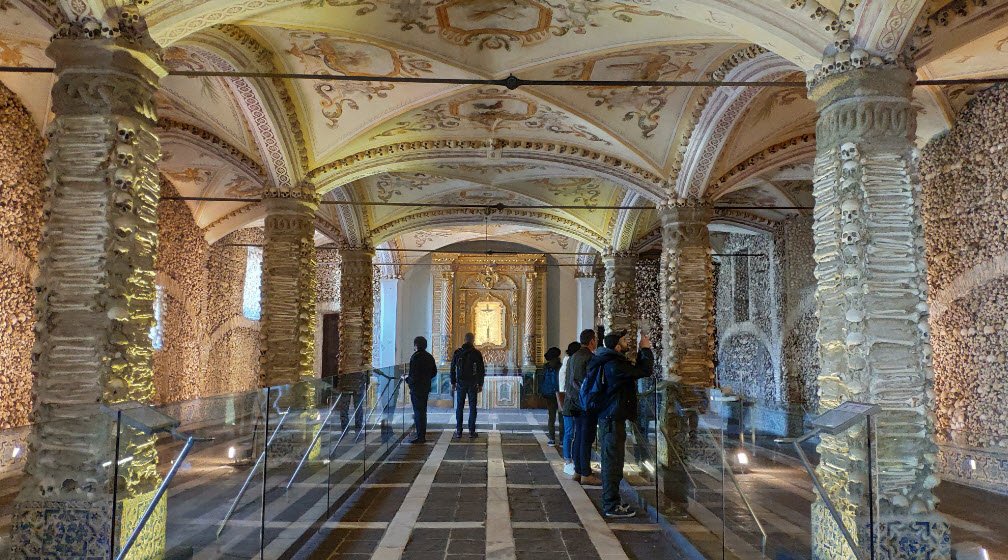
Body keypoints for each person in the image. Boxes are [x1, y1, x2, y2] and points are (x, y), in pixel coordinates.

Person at [587, 331, 654, 519]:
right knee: (612, 463)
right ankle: (611, 504)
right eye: (624, 340)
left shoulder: (611, 361)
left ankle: (612, 501)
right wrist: (645, 349)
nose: (626, 342)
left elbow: (637, 371)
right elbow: (643, 371)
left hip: (612, 418)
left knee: (614, 461)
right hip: (611, 419)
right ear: (616, 345)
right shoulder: (614, 364)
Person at [566, 329, 600, 485]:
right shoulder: (590, 358)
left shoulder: (573, 357)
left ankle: (578, 471)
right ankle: (586, 473)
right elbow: (591, 383)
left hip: (573, 402)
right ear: (592, 341)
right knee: (586, 438)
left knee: (578, 437)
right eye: (596, 340)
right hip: (585, 404)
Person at [450, 332, 485, 438]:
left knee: (459, 407)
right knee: (472, 407)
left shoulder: (458, 352)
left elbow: (452, 368)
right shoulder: (476, 353)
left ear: (464, 340)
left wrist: (453, 382)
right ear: (473, 340)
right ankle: (471, 431)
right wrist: (480, 384)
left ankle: (459, 431)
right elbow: (481, 370)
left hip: (460, 383)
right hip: (473, 383)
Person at [406, 336, 437, 444]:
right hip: (425, 387)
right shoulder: (429, 357)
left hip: (416, 389)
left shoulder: (415, 357)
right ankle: (421, 434)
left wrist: (407, 380)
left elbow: (413, 375)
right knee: (423, 412)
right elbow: (434, 372)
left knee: (418, 412)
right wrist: (426, 378)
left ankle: (420, 436)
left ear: (416, 346)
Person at [557, 341, 581, 474]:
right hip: (570, 401)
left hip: (571, 401)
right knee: (569, 431)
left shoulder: (570, 362)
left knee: (572, 431)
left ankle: (573, 459)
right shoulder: (569, 363)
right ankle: (567, 459)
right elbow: (564, 385)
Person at [540, 347, 562, 445]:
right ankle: (562, 439)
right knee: (562, 418)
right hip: (560, 392)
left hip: (549, 394)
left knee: (551, 417)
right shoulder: (561, 366)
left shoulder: (546, 367)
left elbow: (542, 380)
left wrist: (541, 392)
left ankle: (552, 438)